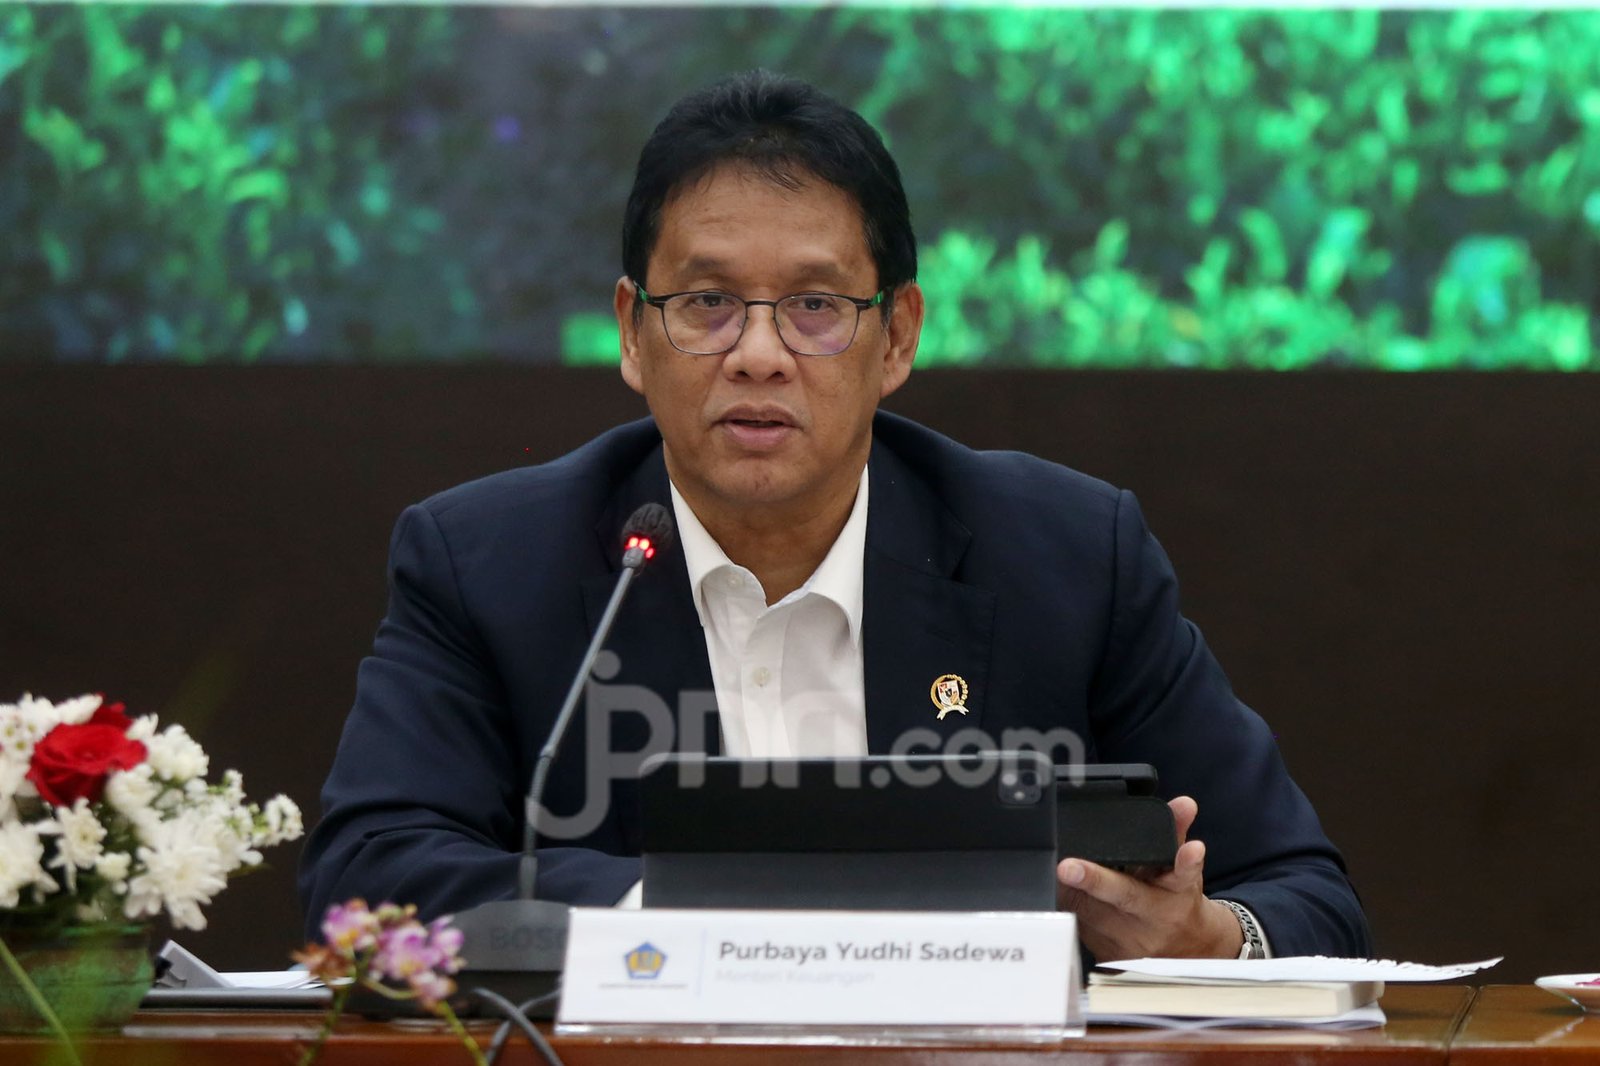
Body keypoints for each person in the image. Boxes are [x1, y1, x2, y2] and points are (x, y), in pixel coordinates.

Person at [299, 70, 1371, 962]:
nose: (758, 354)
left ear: (895, 336)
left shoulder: (1068, 556)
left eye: (815, 306)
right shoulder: (488, 564)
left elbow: (1306, 897)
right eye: (708, 304)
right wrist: (685, 915)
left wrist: (1207, 938)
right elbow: (364, 883)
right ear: (632, 332)